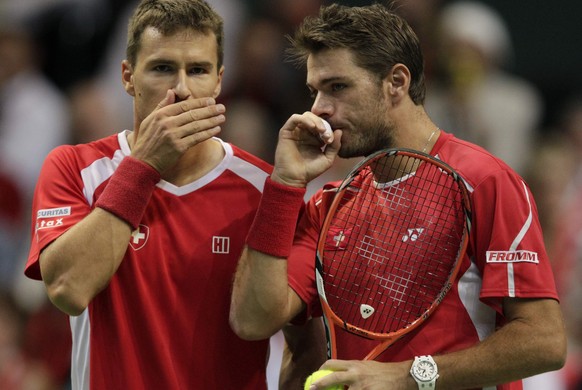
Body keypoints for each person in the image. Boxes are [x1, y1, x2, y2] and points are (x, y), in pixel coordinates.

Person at [229, 4, 567, 390]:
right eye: (315, 91)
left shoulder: (486, 182)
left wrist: (407, 376)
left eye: (337, 87)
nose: (319, 108)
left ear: (396, 82)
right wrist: (285, 184)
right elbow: (254, 320)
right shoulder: (328, 206)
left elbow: (544, 341)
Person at [23, 0, 277, 388]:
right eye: (162, 68)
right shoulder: (74, 167)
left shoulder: (264, 189)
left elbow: (293, 334)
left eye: (198, 70)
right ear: (127, 77)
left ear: (220, 80)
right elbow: (67, 290)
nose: (181, 89)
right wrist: (143, 167)